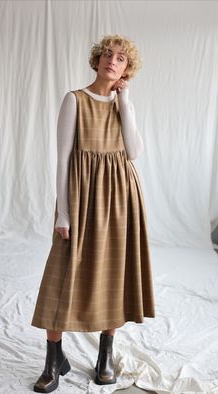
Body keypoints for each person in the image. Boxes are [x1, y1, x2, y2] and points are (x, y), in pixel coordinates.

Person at [31, 33, 155, 393]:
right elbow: (64, 159)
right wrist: (64, 214)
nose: (111, 61)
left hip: (120, 197)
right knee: (64, 273)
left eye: (120, 59)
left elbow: (133, 152)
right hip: (83, 197)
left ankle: (105, 354)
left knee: (113, 273)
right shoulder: (75, 100)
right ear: (96, 60)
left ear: (126, 70)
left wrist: (125, 102)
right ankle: (54, 358)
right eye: (107, 55)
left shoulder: (122, 103)